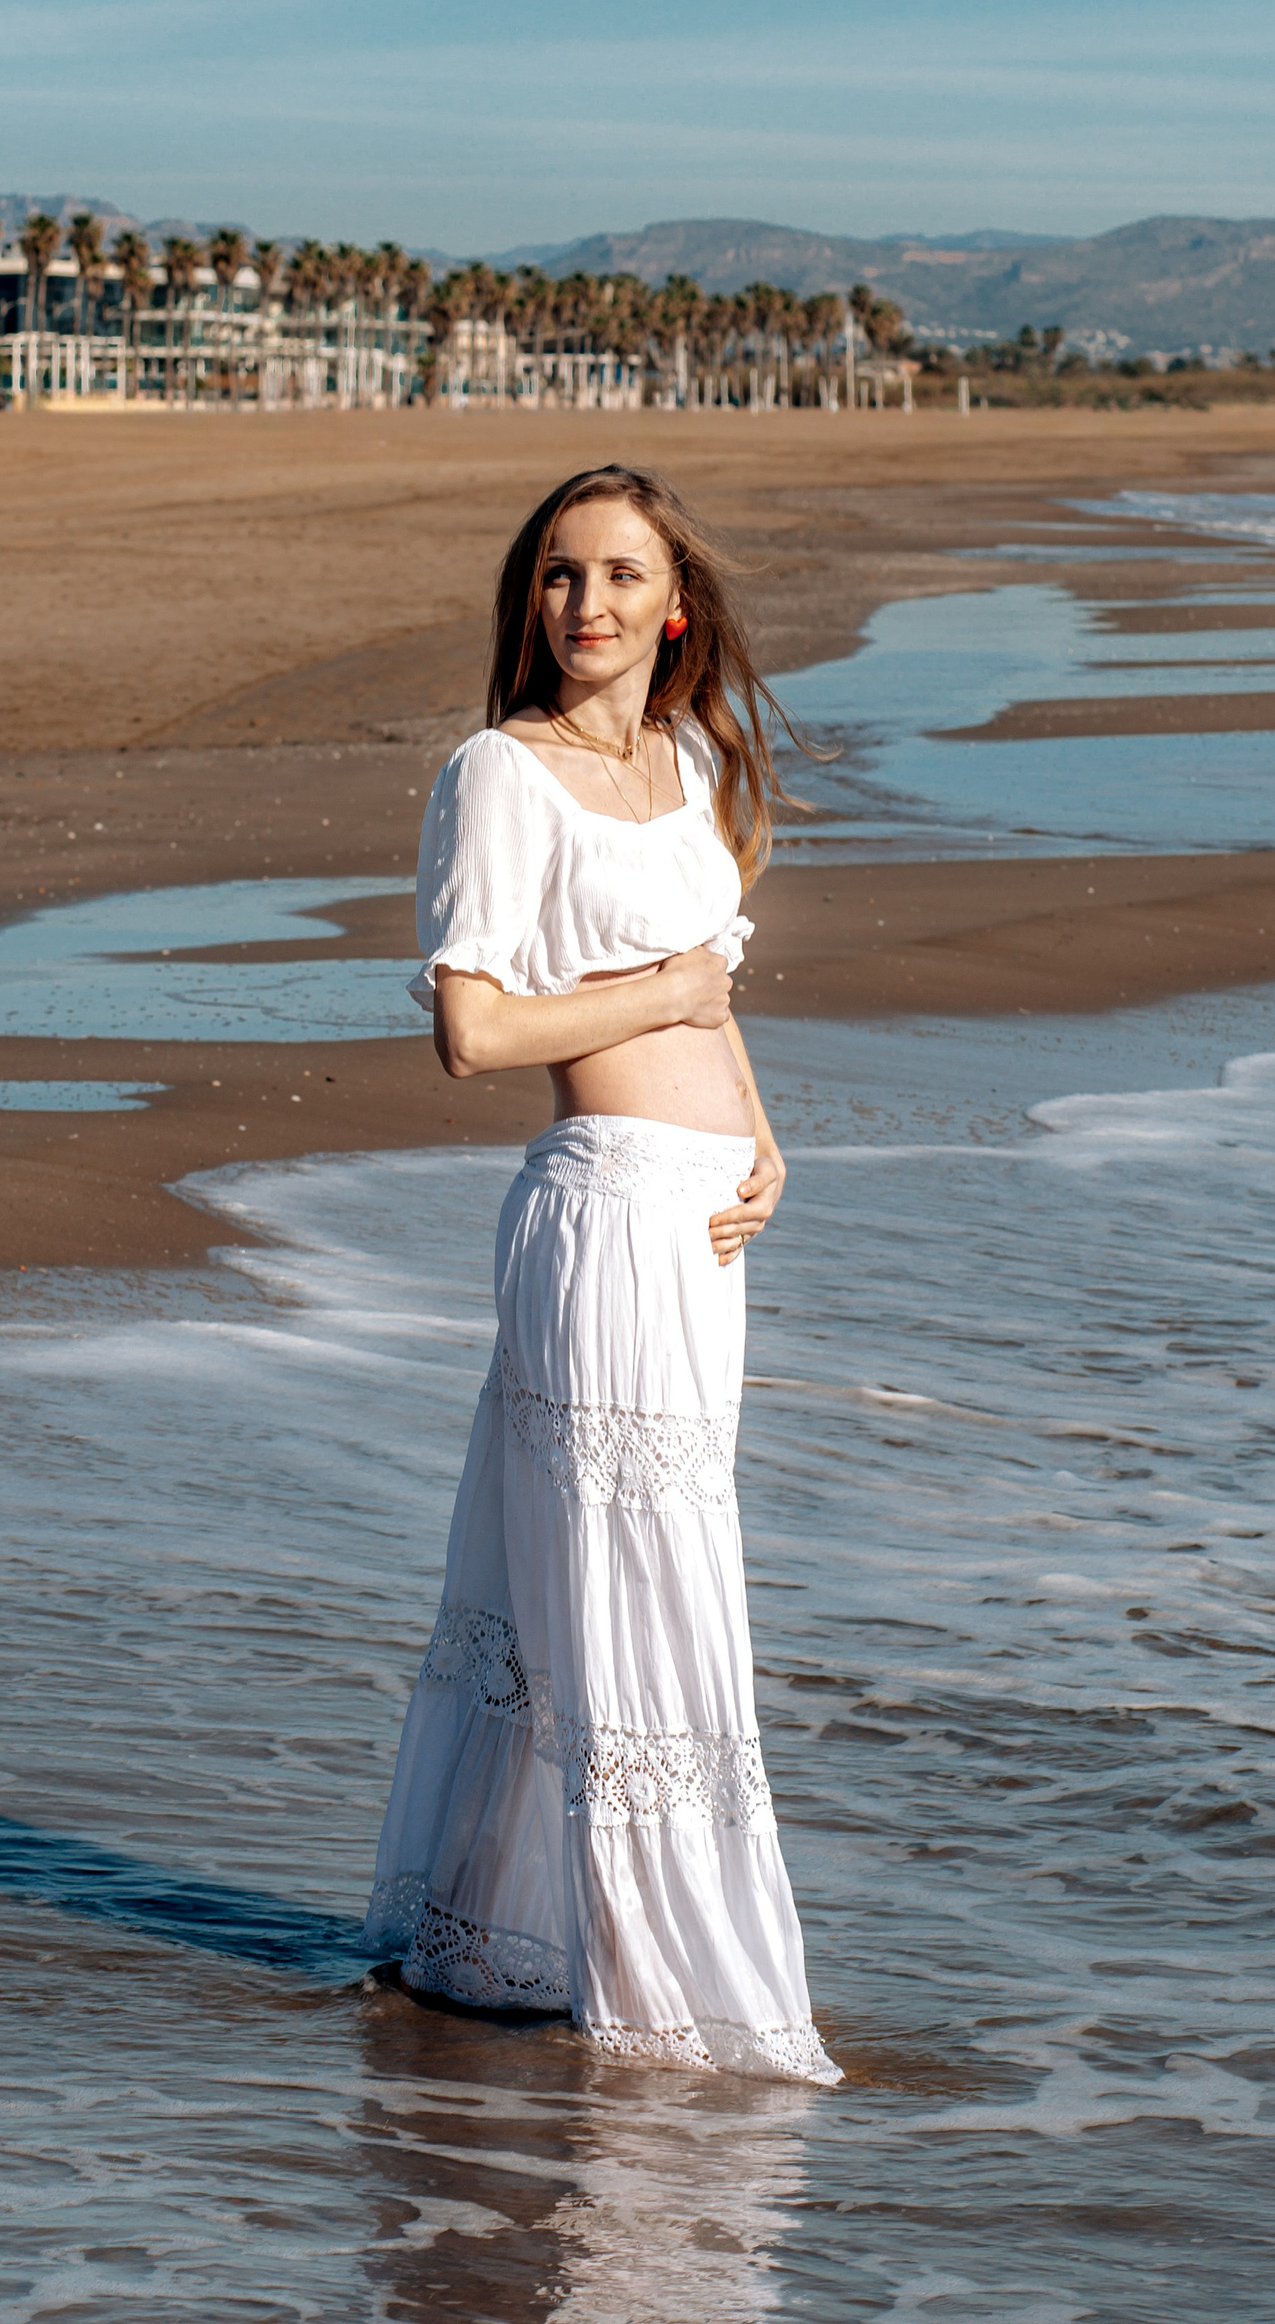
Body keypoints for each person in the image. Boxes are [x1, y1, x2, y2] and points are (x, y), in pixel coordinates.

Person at [361, 464, 839, 2084]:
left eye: (621, 575)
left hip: (703, 1224)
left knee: (608, 1584)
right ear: (531, 603)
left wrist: (764, 1134)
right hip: (604, 1212)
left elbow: (714, 990)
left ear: (674, 601)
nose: (589, 606)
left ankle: (508, 1946)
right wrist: (664, 987)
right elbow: (475, 1031)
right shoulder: (501, 774)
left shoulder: (688, 762)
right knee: (644, 1603)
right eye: (560, 577)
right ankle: (668, 1999)